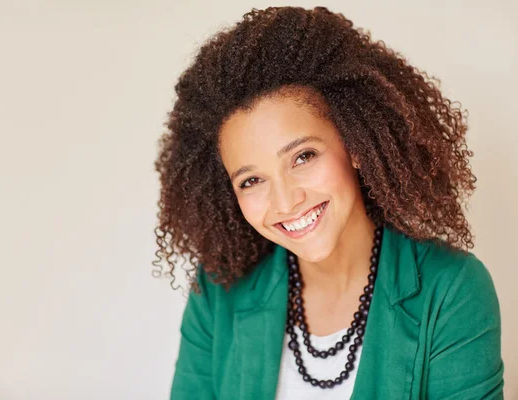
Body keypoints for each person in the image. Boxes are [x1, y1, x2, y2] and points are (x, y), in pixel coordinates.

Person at [153, 6, 504, 400]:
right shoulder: (218, 290)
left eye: (303, 157)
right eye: (251, 180)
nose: (285, 201)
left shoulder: (450, 291)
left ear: (355, 142)